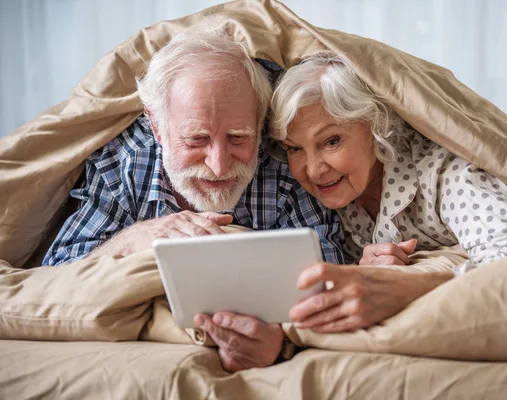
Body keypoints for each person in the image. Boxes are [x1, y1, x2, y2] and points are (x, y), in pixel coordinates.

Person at [43, 30, 344, 372]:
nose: (219, 165)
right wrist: (132, 239)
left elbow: (330, 277)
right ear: (157, 127)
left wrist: (281, 344)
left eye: (238, 137)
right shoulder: (122, 166)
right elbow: (55, 278)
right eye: (196, 139)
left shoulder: (284, 169)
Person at [270, 52, 507, 334]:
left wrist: (409, 284)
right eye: (295, 148)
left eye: (331, 141)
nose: (314, 170)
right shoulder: (309, 198)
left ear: (375, 124)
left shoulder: (446, 172)